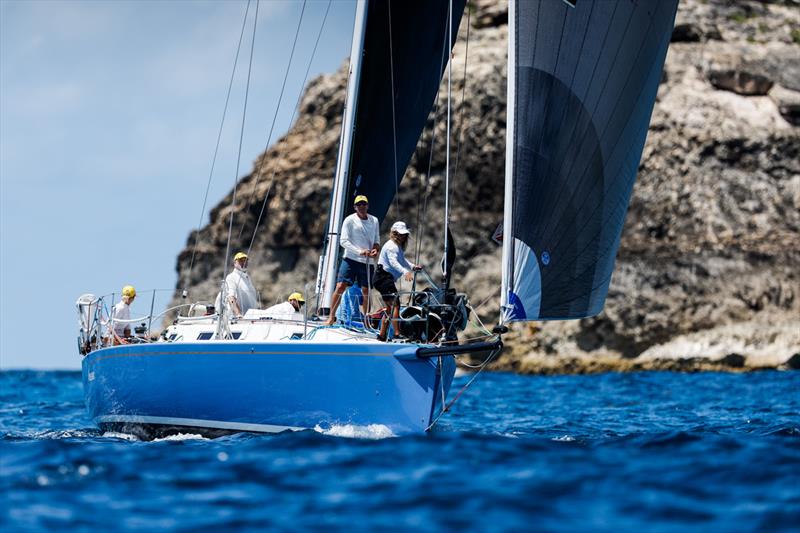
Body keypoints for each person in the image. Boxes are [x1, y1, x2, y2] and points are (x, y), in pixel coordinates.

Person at [325, 195, 380, 325]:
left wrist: (376, 249)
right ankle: (331, 317)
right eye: (359, 204)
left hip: (367, 262)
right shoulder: (349, 220)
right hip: (350, 259)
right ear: (355, 207)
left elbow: (377, 240)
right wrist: (359, 251)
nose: (362, 206)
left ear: (367, 205)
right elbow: (343, 241)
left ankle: (366, 319)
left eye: (364, 204)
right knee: (340, 286)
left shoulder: (374, 220)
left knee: (366, 290)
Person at [372, 221, 422, 341]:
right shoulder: (391, 246)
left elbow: (402, 260)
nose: (403, 236)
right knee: (396, 305)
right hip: (383, 278)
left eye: (404, 234)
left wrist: (413, 266)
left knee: (390, 308)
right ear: (394, 233)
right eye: (400, 234)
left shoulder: (397, 247)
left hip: (384, 279)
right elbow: (394, 263)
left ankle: (382, 335)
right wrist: (406, 272)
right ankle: (397, 333)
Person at [216, 252, 258, 317]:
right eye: (241, 261)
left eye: (246, 261)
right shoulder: (231, 277)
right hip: (239, 320)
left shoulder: (247, 278)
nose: (244, 263)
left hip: (251, 318)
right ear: (235, 263)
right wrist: (238, 314)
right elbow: (231, 297)